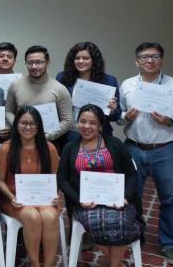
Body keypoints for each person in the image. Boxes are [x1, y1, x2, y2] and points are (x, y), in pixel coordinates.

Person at [117, 42, 173, 265]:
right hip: (133, 147)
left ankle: (168, 244)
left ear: (162, 60)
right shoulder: (127, 85)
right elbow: (119, 115)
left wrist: (171, 120)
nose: (149, 60)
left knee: (170, 198)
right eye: (144, 57)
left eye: (154, 56)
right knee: (132, 197)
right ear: (136, 61)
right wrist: (126, 117)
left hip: (165, 149)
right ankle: (135, 236)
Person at [57, 105, 144, 267]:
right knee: (97, 224)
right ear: (77, 123)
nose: (87, 127)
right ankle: (117, 264)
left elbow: (132, 175)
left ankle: (113, 265)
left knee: (120, 222)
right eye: (82, 121)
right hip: (86, 203)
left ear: (101, 126)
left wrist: (125, 197)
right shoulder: (70, 148)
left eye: (92, 123)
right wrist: (78, 200)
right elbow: (62, 179)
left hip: (117, 201)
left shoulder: (115, 144)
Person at [0, 106, 63, 267]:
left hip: (44, 198)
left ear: (39, 126)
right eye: (23, 123)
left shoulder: (49, 148)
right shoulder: (6, 149)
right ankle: (34, 263)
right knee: (32, 216)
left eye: (32, 124)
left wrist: (55, 194)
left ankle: (49, 264)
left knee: (50, 216)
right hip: (15, 199)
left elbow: (55, 177)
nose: (27, 127)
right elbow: (0, 181)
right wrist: (12, 198)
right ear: (16, 125)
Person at [5, 45, 73, 147]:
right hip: (19, 140)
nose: (34, 66)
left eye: (39, 62)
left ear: (48, 62)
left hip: (48, 142)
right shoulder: (16, 85)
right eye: (30, 63)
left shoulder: (59, 89)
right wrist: (19, 127)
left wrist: (47, 137)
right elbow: (8, 111)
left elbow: (67, 120)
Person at [55, 42, 121, 140]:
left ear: (94, 60)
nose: (81, 61)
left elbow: (115, 116)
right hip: (70, 133)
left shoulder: (109, 81)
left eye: (86, 58)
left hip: (98, 134)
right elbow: (56, 108)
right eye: (77, 58)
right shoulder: (62, 78)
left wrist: (112, 110)